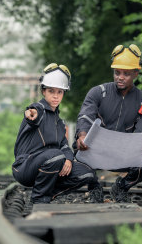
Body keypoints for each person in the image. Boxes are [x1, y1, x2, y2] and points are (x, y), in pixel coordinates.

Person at [75, 44, 142, 202]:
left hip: (124, 157)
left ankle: (121, 187)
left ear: (136, 73)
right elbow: (86, 115)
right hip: (95, 154)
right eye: (117, 72)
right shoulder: (97, 93)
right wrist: (82, 135)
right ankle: (94, 187)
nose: (120, 77)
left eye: (126, 74)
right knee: (76, 159)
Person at [12, 63, 102, 204]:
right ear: (43, 91)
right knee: (55, 156)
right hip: (24, 168)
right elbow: (34, 112)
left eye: (59, 92)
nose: (55, 96)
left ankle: (47, 194)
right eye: (51, 91)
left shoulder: (60, 123)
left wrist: (68, 159)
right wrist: (30, 114)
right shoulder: (39, 109)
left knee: (87, 172)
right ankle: (39, 199)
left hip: (51, 163)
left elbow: (64, 146)